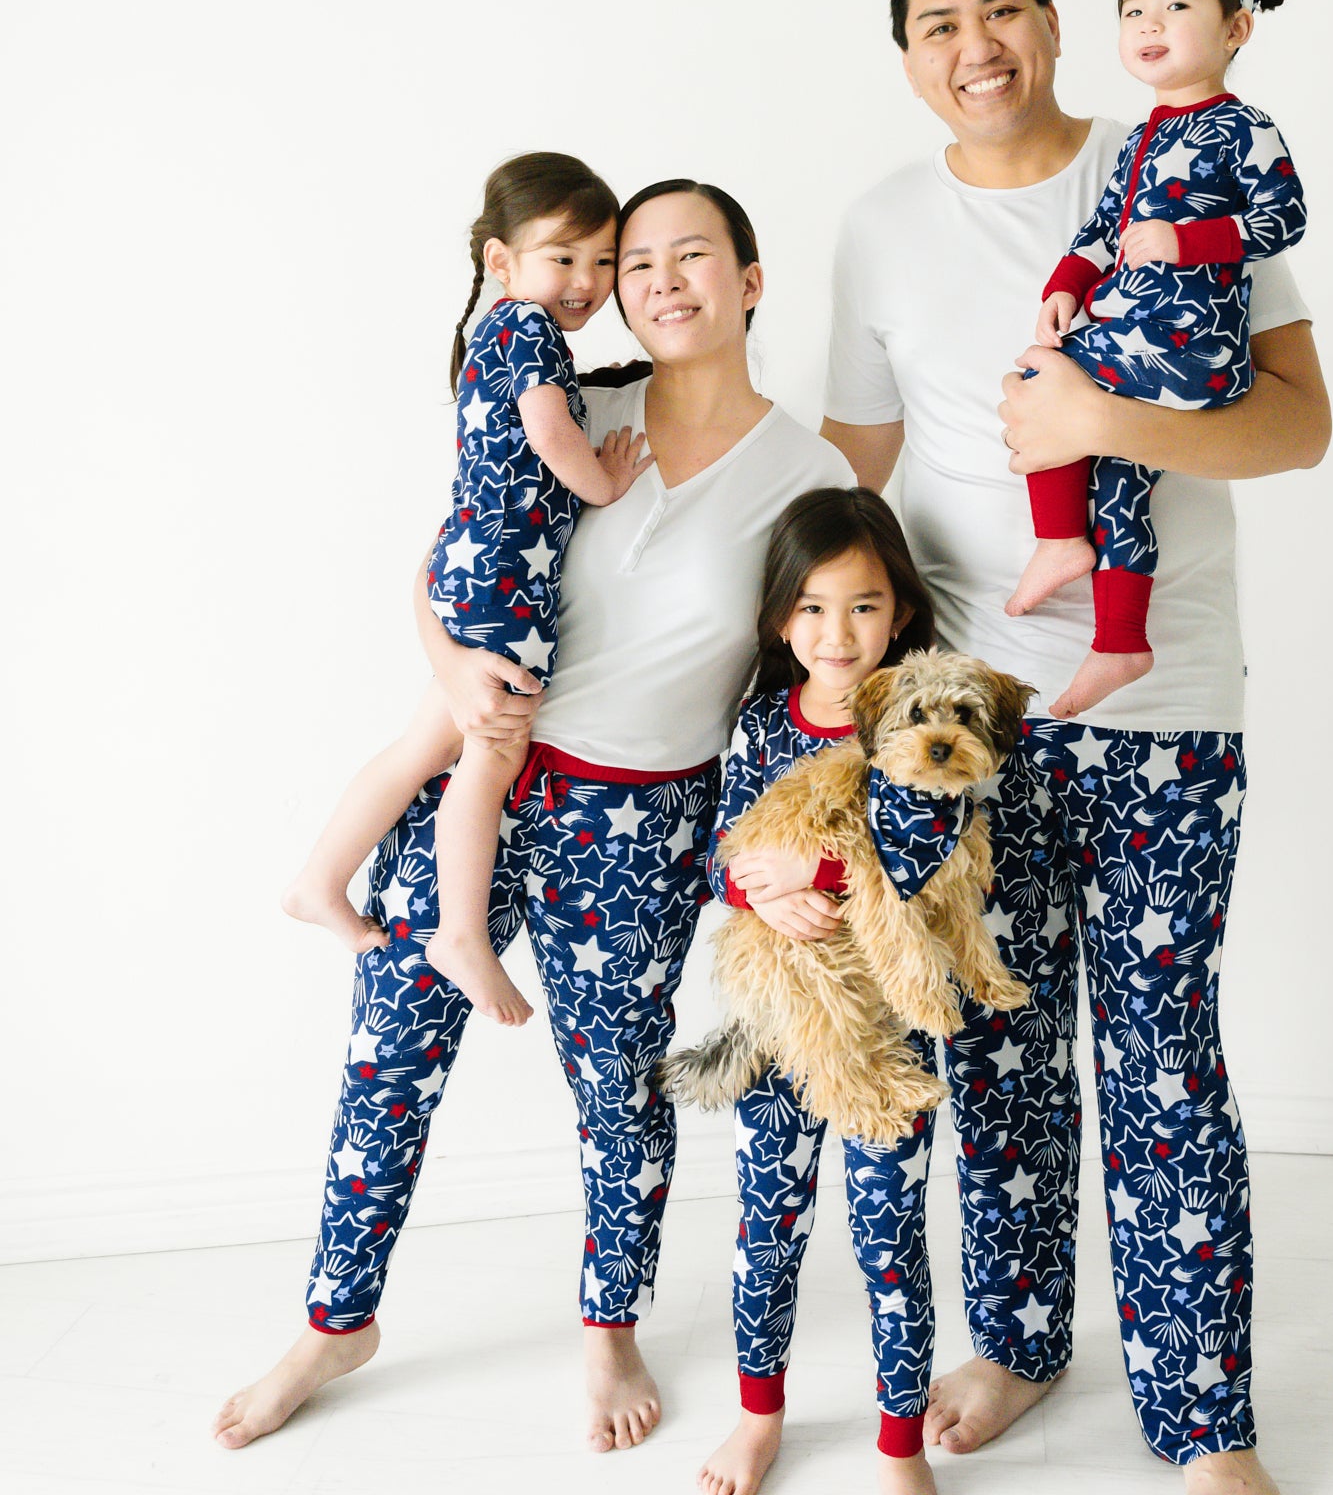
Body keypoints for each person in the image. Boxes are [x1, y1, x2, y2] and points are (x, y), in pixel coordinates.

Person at [213, 180, 853, 1456]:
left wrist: (790, 845)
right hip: (490, 785)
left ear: (750, 281)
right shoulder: (575, 401)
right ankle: (338, 1317)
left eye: (691, 257)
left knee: (617, 1082)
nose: (660, 281)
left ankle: (607, 1318)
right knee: (389, 1044)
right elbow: (446, 555)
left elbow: (819, 670)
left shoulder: (808, 472)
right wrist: (449, 671)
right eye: (635, 261)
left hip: (644, 821)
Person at [822, 0, 1330, 1495]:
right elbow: (855, 482)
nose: (973, 48)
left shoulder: (1169, 158)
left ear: (1056, 23)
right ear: (905, 60)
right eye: (935, 27)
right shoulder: (884, 226)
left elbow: (1299, 426)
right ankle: (1023, 1341)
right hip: (975, 732)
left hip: (1169, 698)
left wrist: (1107, 414)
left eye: (999, 11)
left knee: (1164, 1058)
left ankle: (1207, 1425)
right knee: (1003, 1051)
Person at [281, 153, 653, 1027]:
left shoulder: (499, 329)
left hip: (473, 567)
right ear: (501, 259)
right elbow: (547, 429)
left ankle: (318, 881)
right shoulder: (527, 330)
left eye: (602, 261)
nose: (588, 281)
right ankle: (459, 933)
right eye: (565, 256)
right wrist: (604, 480)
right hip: (501, 585)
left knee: (422, 746)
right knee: (489, 755)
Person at [694, 487, 952, 1495]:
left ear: (900, 612)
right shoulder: (762, 724)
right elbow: (724, 851)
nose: (836, 632)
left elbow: (926, 845)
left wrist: (817, 876)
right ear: (777, 618)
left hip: (885, 1033)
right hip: (776, 1025)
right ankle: (759, 1415)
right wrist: (755, 882)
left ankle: (899, 1444)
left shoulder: (915, 717)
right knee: (767, 1225)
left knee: (889, 1236)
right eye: (810, 606)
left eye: (861, 605)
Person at [1014, 0, 1306, 722]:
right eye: (1133, 9)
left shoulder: (1242, 126)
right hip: (1143, 336)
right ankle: (1119, 641)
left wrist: (1188, 241)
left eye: (1175, 7)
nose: (1149, 23)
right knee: (1117, 480)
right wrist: (1068, 282)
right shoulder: (1142, 135)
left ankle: (1057, 540)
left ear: (1235, 26)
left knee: (1043, 383)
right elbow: (1103, 230)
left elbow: (1283, 218)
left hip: (1190, 341)